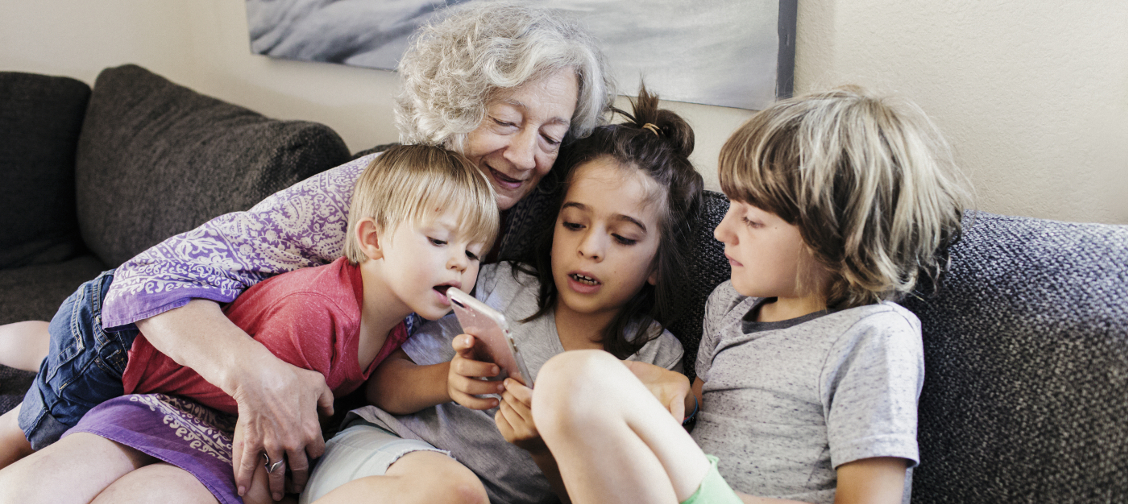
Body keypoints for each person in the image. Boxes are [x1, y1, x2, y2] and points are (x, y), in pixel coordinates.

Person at [0, 1, 615, 501]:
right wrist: (261, 377)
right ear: (455, 109)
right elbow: (148, 281)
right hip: (130, 337)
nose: (526, 155)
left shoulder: (513, 212)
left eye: (551, 135)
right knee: (27, 440)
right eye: (506, 121)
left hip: (197, 386)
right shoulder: (371, 191)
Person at [531, 86, 975, 504]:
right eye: (729, 209)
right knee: (571, 390)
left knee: (577, 378)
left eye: (753, 220)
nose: (723, 232)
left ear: (832, 236)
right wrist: (679, 392)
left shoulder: (872, 336)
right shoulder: (729, 304)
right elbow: (705, 415)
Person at [0, 144, 500, 504]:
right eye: (439, 241)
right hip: (135, 359)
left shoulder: (402, 318)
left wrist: (449, 380)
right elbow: (266, 452)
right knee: (33, 432)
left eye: (474, 252)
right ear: (372, 239)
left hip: (188, 395)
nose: (461, 264)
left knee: (48, 342)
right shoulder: (317, 313)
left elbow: (378, 391)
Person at [297, 87, 704, 504]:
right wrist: (446, 379)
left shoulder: (654, 360)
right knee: (453, 491)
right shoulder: (497, 287)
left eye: (622, 237)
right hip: (381, 453)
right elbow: (380, 386)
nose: (591, 248)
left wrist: (540, 449)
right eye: (574, 224)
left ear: (657, 264)